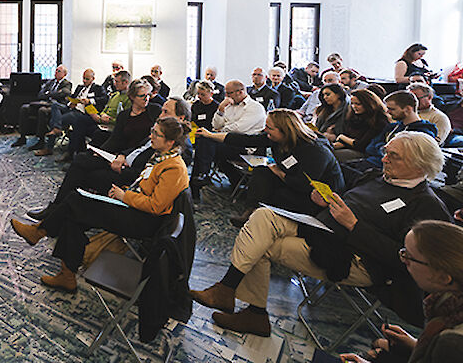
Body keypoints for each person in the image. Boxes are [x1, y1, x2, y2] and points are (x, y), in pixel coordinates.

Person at [190, 131, 450, 337]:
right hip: (322, 230)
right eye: (386, 152)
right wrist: (325, 203)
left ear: (420, 165)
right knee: (261, 215)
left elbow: (404, 259)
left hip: (355, 258)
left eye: (394, 156)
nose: (384, 159)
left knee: (261, 245)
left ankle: (253, 312)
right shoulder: (378, 177)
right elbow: (347, 198)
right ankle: (227, 290)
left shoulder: (425, 206)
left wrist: (354, 226)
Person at [10, 117, 190, 292]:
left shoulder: (174, 168)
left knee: (75, 202)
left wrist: (124, 195)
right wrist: (126, 192)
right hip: (133, 207)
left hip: (145, 221)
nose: (151, 136)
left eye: (156, 134)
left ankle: (40, 232)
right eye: (152, 131)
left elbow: (156, 206)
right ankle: (66, 273)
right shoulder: (160, 157)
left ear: (170, 142)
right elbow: (145, 185)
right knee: (74, 213)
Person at [25, 87, 185, 221]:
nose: (160, 114)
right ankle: (57, 214)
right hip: (123, 162)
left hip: (128, 177)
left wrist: (122, 170)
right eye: (162, 110)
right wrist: (122, 155)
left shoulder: (172, 146)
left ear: (181, 118)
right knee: (81, 160)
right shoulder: (160, 133)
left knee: (79, 170)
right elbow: (138, 148)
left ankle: (56, 215)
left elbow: (148, 182)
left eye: (165, 112)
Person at [341, 220, 463, 363]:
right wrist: (415, 344)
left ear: (442, 277)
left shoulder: (451, 342)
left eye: (409, 257)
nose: (403, 260)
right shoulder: (448, 308)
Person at [195, 109, 343, 227]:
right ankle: (250, 212)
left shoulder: (314, 151)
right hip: (291, 179)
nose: (265, 130)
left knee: (278, 195)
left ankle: (268, 221)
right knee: (261, 171)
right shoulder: (277, 139)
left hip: (316, 195)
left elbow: (303, 184)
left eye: (269, 128)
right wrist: (211, 135)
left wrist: (278, 172)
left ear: (284, 131)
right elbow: (245, 140)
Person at [192, 80, 266, 195]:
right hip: (229, 142)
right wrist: (221, 109)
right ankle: (200, 177)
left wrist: (220, 131)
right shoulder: (228, 105)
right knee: (204, 139)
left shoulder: (255, 108)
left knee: (206, 141)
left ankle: (200, 177)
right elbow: (215, 125)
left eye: (229, 93)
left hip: (247, 147)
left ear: (240, 92)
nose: (226, 96)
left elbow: (238, 129)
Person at [59, 70, 131, 160]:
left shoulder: (128, 98)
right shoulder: (115, 95)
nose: (114, 84)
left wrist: (108, 119)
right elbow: (106, 109)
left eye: (117, 82)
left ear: (125, 83)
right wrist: (99, 116)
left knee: (79, 122)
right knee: (78, 124)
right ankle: (79, 155)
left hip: (110, 126)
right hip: (99, 120)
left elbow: (124, 119)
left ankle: (77, 155)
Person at [42, 68, 107, 156]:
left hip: (83, 113)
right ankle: (57, 128)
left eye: (87, 79)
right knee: (54, 105)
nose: (84, 81)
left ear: (93, 79)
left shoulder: (98, 88)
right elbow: (71, 97)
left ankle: (50, 144)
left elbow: (104, 99)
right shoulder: (80, 87)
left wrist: (89, 101)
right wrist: (70, 103)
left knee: (58, 119)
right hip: (72, 108)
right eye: (83, 78)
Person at [11, 64, 72, 150]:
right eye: (56, 70)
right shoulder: (50, 82)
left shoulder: (67, 84)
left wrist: (49, 94)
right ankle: (22, 137)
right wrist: (52, 94)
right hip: (43, 103)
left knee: (42, 111)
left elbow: (63, 94)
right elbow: (40, 94)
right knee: (24, 108)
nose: (56, 72)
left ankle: (41, 141)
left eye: (59, 71)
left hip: (55, 107)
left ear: (64, 74)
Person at [330, 88, 391, 163]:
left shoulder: (379, 121)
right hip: (352, 148)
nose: (354, 106)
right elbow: (350, 137)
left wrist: (342, 137)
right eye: (352, 103)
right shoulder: (354, 117)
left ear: (368, 104)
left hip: (366, 154)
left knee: (330, 155)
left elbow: (361, 145)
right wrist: (342, 143)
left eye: (358, 104)